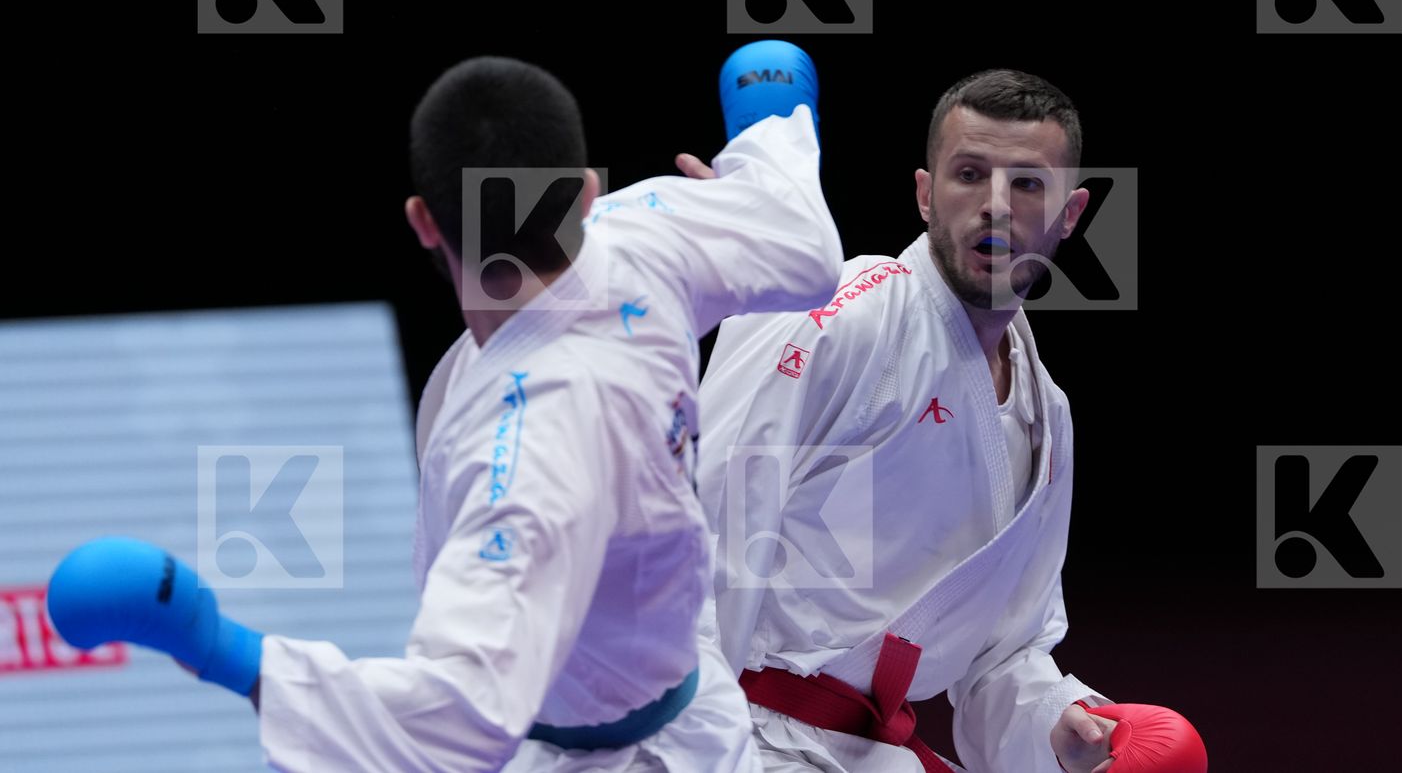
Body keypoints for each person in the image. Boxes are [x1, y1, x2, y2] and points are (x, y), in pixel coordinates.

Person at [48, 52, 844, 773]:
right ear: (587, 193)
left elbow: (458, 721)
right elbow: (802, 242)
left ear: (422, 220)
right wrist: (766, 129)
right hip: (677, 669)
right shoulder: (647, 230)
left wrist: (213, 644)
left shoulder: (534, 453)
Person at [693, 69, 1206, 772]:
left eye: (1028, 183)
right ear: (926, 193)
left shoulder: (1043, 418)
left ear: (1071, 212)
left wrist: (1063, 727)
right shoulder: (842, 316)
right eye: (970, 174)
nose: (995, 205)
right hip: (739, 739)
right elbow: (691, 536)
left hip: (866, 751)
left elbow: (1001, 654)